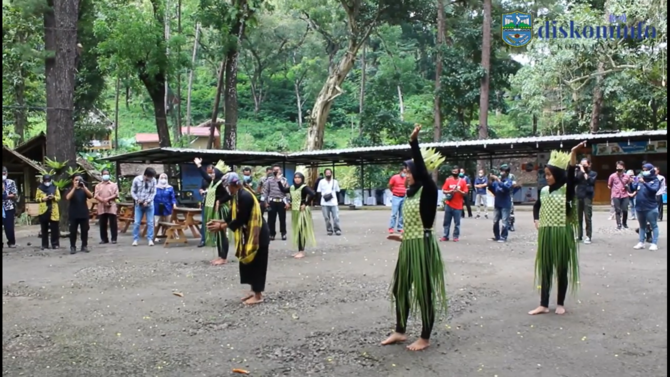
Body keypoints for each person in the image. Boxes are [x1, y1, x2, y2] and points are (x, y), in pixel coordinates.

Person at [381, 124, 447, 352]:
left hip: (424, 247)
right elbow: (415, 222)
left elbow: (421, 169)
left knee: (423, 290)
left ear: (417, 172)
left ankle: (425, 337)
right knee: (400, 288)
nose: (405, 174)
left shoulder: (428, 189)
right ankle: (400, 331)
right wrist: (402, 237)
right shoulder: (409, 194)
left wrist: (414, 143)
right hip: (408, 246)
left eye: (408, 171)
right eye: (404, 171)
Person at [529, 141, 583, 316]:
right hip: (546, 233)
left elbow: (572, 175)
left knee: (561, 268)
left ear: (558, 174)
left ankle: (560, 303)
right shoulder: (544, 190)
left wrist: (573, 154)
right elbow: (537, 206)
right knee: (545, 268)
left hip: (562, 232)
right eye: (545, 174)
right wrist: (536, 219)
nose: (547, 177)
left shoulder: (567, 190)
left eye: (550, 175)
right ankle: (543, 304)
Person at [207, 173, 270, 305]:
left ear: (233, 185)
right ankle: (253, 291)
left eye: (227, 186)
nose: (226, 189)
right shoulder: (236, 196)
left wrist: (222, 226)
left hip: (258, 234)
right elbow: (231, 216)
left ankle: (258, 295)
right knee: (248, 263)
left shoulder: (245, 196)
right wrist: (221, 222)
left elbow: (241, 218)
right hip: (248, 233)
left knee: (258, 264)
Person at [195, 158, 231, 265]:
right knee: (218, 235)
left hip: (220, 210)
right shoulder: (213, 182)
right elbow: (205, 176)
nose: (212, 173)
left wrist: (219, 201)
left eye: (214, 172)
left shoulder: (222, 183)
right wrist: (198, 165)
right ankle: (220, 256)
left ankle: (223, 258)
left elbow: (229, 195)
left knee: (222, 234)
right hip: (214, 209)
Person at [278, 171, 316, 259]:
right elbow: (283, 190)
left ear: (302, 179)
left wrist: (305, 204)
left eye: (299, 178)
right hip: (295, 211)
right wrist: (278, 180)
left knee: (301, 231)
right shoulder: (291, 187)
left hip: (302, 212)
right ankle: (299, 250)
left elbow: (313, 194)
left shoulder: (304, 187)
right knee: (297, 231)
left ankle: (302, 251)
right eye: (295, 177)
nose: (297, 179)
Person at [632, 164, 661, 250]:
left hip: (650, 207)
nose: (644, 171)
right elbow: (633, 188)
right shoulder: (640, 179)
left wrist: (644, 183)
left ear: (651, 170)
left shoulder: (655, 180)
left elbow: (653, 190)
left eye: (646, 169)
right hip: (639, 207)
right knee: (642, 226)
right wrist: (630, 183)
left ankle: (654, 243)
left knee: (653, 225)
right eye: (643, 169)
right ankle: (641, 242)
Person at [440, 165, 468, 242]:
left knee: (457, 223)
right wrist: (450, 191)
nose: (454, 173)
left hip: (458, 205)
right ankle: (445, 236)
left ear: (458, 172)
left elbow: (465, 193)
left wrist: (459, 191)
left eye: (456, 172)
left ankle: (455, 236)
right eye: (453, 171)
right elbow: (444, 190)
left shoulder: (462, 181)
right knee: (446, 222)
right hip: (449, 204)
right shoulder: (448, 180)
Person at [66, 175, 93, 254]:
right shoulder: (70, 189)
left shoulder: (83, 190)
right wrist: (74, 187)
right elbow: (67, 197)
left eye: (79, 180)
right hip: (73, 214)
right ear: (73, 181)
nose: (78, 181)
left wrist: (84, 186)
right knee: (73, 231)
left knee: (85, 230)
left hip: (83, 213)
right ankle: (72, 246)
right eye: (76, 180)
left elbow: (91, 196)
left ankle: (84, 246)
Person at [131, 167, 157, 246]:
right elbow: (132, 191)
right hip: (139, 204)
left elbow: (153, 192)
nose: (150, 179)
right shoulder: (136, 180)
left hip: (149, 205)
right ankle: (135, 239)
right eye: (149, 177)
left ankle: (150, 239)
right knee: (137, 222)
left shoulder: (153, 180)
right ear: (145, 175)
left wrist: (148, 201)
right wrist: (137, 199)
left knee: (150, 222)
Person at [263, 164, 289, 241]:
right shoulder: (269, 180)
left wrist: (288, 202)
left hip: (281, 202)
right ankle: (271, 234)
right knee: (271, 219)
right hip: (272, 202)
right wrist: (265, 202)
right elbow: (265, 192)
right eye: (275, 170)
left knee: (282, 219)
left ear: (280, 170)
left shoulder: (284, 180)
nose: (276, 171)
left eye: (278, 170)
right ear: (272, 171)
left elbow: (287, 192)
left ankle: (283, 233)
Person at [35, 174, 61, 250]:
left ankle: (55, 244)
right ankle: (44, 244)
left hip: (53, 210)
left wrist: (53, 197)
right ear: (43, 181)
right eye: (45, 181)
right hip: (43, 210)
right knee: (44, 229)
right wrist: (43, 199)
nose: (47, 182)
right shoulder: (39, 188)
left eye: (48, 181)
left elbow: (59, 197)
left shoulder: (55, 187)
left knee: (54, 228)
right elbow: (36, 199)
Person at [488, 165, 513, 242]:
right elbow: (491, 188)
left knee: (504, 221)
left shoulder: (509, 181)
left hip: (505, 204)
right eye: (501, 170)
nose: (501, 172)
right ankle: (497, 236)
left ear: (507, 172)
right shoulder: (496, 182)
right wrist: (490, 179)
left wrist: (498, 180)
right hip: (497, 204)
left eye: (503, 171)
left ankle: (503, 236)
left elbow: (506, 188)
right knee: (495, 221)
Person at [575, 158, 597, 244]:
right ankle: (579, 235)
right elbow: (575, 180)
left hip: (587, 196)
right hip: (579, 195)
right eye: (582, 165)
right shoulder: (579, 173)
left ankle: (588, 236)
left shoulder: (593, 173)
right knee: (578, 217)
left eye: (585, 165)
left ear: (589, 164)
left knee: (588, 217)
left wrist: (583, 171)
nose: (583, 167)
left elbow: (590, 181)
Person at [94, 169, 119, 244]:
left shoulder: (113, 185)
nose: (106, 175)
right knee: (102, 223)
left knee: (113, 223)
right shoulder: (98, 186)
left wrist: (107, 199)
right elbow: (96, 195)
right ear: (102, 175)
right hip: (101, 206)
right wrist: (103, 200)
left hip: (111, 205)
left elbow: (116, 195)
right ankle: (104, 239)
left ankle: (114, 238)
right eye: (104, 174)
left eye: (107, 174)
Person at [317, 168, 342, 235]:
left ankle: (337, 229)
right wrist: (319, 201)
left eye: (329, 173)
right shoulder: (321, 182)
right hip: (324, 203)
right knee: (326, 217)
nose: (328, 174)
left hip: (334, 202)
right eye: (327, 173)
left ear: (331, 174)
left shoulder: (335, 182)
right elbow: (319, 191)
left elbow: (338, 191)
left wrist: (338, 201)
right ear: (325, 174)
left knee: (336, 217)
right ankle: (329, 230)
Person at [607, 161, 631, 230]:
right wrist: (614, 189)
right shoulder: (612, 176)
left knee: (625, 210)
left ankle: (624, 223)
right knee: (617, 210)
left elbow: (628, 183)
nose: (619, 168)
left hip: (625, 195)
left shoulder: (627, 176)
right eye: (617, 167)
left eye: (620, 166)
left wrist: (626, 186)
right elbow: (609, 185)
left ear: (623, 167)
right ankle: (619, 224)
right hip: (616, 195)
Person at [154, 173, 177, 240]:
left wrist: (174, 204)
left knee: (169, 221)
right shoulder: (155, 188)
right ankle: (156, 236)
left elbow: (173, 197)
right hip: (157, 206)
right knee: (156, 222)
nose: (163, 179)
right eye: (161, 178)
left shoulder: (170, 188)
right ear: (159, 179)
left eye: (165, 178)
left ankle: (173, 235)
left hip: (167, 206)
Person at [197, 162, 214, 247]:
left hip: (213, 203)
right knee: (204, 221)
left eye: (212, 169)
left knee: (213, 221)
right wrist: (201, 191)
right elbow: (200, 188)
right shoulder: (203, 179)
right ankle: (203, 239)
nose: (210, 171)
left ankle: (213, 240)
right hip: (205, 201)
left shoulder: (215, 179)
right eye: (209, 169)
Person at [387, 166, 407, 234]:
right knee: (394, 213)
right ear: (400, 171)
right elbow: (390, 185)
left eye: (405, 172)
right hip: (396, 197)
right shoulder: (394, 177)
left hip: (403, 197)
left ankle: (400, 228)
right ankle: (391, 228)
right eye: (404, 172)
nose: (404, 173)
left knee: (402, 214)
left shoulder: (406, 178)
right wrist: (393, 191)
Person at [2, 167, 18, 248]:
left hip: (8, 206)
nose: (3, 175)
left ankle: (11, 242)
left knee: (9, 226)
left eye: (4, 174)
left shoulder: (11, 182)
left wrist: (7, 196)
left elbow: (15, 194)